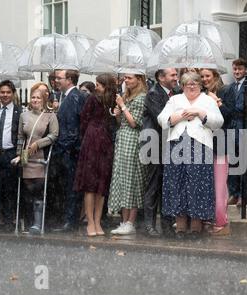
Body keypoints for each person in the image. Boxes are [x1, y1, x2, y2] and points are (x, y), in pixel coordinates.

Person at [158, 72, 224, 240]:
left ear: (200, 85)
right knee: (177, 184)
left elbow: (218, 122)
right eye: (188, 83)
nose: (192, 86)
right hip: (176, 146)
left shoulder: (208, 100)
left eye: (195, 82)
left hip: (200, 146)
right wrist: (181, 115)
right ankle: (180, 226)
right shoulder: (175, 100)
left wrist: (200, 113)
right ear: (182, 85)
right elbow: (162, 119)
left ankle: (196, 227)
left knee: (198, 184)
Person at [73, 74, 116, 237]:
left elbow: (114, 123)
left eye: (99, 84)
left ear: (106, 85)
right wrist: (88, 137)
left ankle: (97, 221)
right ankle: (90, 221)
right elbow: (84, 119)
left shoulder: (114, 100)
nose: (96, 87)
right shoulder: (92, 99)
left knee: (101, 185)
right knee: (90, 184)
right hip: (92, 140)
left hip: (105, 142)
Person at [11, 88, 59, 234]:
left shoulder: (50, 116)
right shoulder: (24, 116)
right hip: (27, 158)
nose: (35, 100)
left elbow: (54, 135)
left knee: (38, 190)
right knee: (28, 191)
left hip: (40, 157)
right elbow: (20, 137)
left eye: (38, 98)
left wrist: (38, 144)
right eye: (33, 97)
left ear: (43, 100)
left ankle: (38, 223)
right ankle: (29, 221)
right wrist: (19, 155)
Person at [141, 68, 179, 238]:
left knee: (168, 187)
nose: (176, 78)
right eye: (173, 75)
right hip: (154, 144)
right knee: (153, 186)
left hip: (170, 145)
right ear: (161, 77)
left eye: (176, 75)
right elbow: (161, 118)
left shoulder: (176, 92)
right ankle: (149, 225)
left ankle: (167, 225)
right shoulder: (153, 94)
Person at [109, 74, 147, 236]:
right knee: (122, 180)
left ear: (139, 79)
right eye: (125, 78)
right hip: (122, 139)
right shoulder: (127, 95)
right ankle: (124, 221)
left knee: (132, 180)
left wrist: (123, 106)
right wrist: (118, 114)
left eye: (130, 78)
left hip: (133, 140)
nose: (126, 80)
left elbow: (135, 123)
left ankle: (131, 221)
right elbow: (122, 122)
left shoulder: (142, 97)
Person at [200, 68, 235, 236]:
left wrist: (217, 102)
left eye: (208, 76)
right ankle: (208, 218)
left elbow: (230, 116)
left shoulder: (226, 90)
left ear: (215, 76)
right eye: (202, 76)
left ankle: (222, 221)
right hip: (204, 143)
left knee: (220, 185)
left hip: (221, 143)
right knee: (207, 185)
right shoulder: (200, 94)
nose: (205, 79)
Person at [52, 69, 87, 232]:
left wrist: (63, 148)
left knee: (71, 188)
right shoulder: (65, 96)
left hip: (70, 152)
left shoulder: (74, 97)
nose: (56, 80)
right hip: (68, 151)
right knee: (67, 187)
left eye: (59, 78)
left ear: (70, 80)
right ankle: (68, 219)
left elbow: (73, 129)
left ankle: (70, 222)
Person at [0, 80, 23, 228]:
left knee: (10, 188)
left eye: (8, 92)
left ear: (13, 94)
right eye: (2, 92)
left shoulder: (20, 111)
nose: (5, 95)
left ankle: (10, 219)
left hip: (11, 154)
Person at [227, 58, 247, 207]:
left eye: (240, 69)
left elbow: (242, 106)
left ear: (245, 70)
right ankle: (234, 193)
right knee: (233, 163)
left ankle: (244, 195)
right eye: (235, 69)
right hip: (232, 129)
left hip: (243, 129)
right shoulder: (231, 87)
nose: (237, 72)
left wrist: (225, 105)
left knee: (243, 164)